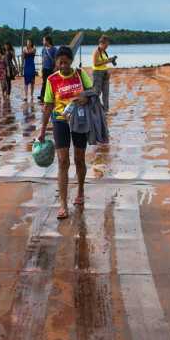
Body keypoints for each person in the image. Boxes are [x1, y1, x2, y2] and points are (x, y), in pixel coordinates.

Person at [37, 46, 93, 219]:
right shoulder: (52, 80)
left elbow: (92, 92)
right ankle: (63, 204)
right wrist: (43, 130)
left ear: (71, 61)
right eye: (59, 61)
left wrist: (85, 97)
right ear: (56, 62)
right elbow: (48, 105)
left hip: (79, 120)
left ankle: (81, 190)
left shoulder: (79, 74)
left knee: (79, 158)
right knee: (62, 161)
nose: (62, 65)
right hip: (60, 121)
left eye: (65, 61)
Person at [91, 35, 116, 112]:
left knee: (106, 93)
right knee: (96, 92)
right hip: (97, 73)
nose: (107, 47)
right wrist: (108, 61)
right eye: (106, 45)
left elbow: (103, 62)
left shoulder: (104, 51)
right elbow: (95, 63)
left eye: (107, 45)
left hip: (105, 72)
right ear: (101, 43)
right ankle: (94, 109)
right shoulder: (97, 51)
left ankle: (106, 111)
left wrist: (111, 60)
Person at [38, 35, 57, 103]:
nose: (43, 42)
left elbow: (56, 59)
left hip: (51, 69)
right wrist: (41, 69)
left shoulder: (54, 49)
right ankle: (42, 96)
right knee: (44, 83)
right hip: (45, 68)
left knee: (51, 83)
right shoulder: (43, 49)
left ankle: (52, 96)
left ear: (48, 41)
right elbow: (43, 59)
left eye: (44, 40)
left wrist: (55, 67)